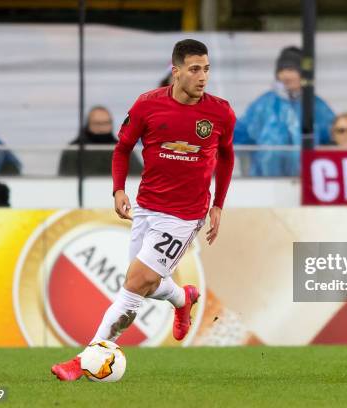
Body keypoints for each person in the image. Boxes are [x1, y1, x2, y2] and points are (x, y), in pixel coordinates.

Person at [51, 39, 236, 381]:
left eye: (207, 69)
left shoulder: (220, 112)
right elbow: (121, 149)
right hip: (148, 207)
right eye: (195, 69)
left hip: (184, 215)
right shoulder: (147, 106)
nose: (203, 77)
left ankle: (88, 357)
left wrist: (218, 205)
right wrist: (119, 188)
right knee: (147, 284)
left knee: (135, 284)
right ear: (175, 70)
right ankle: (182, 297)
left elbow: (226, 157)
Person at [233, 46, 335, 176]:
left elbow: (333, 138)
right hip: (266, 184)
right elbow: (241, 134)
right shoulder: (263, 104)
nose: (286, 75)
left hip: (306, 182)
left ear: (303, 73)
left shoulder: (316, 106)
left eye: (292, 70)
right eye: (281, 70)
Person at [58, 106, 143, 176]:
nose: (102, 128)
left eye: (106, 123)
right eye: (98, 123)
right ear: (88, 125)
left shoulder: (123, 150)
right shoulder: (74, 150)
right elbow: (66, 180)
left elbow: (138, 177)